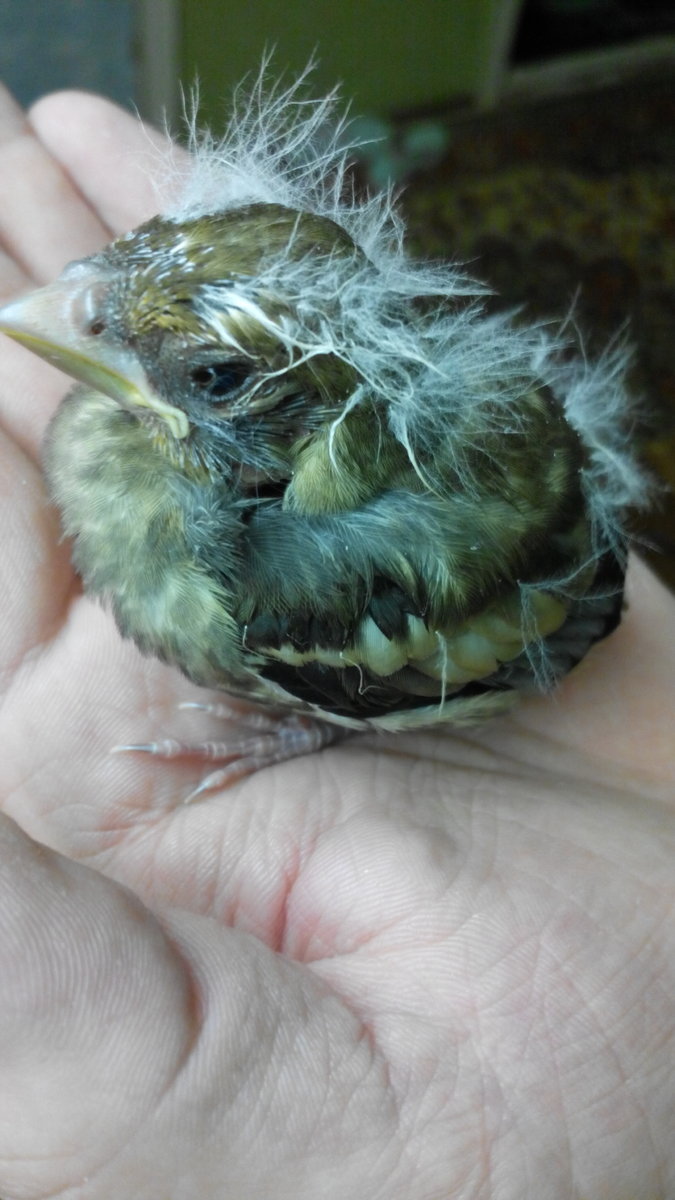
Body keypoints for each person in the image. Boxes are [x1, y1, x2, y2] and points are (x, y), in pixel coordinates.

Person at [0, 80, 673, 1200]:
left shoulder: (286, 587)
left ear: (303, 448)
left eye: (213, 378)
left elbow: (562, 616)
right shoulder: (160, 436)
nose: (73, 316)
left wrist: (308, 724)